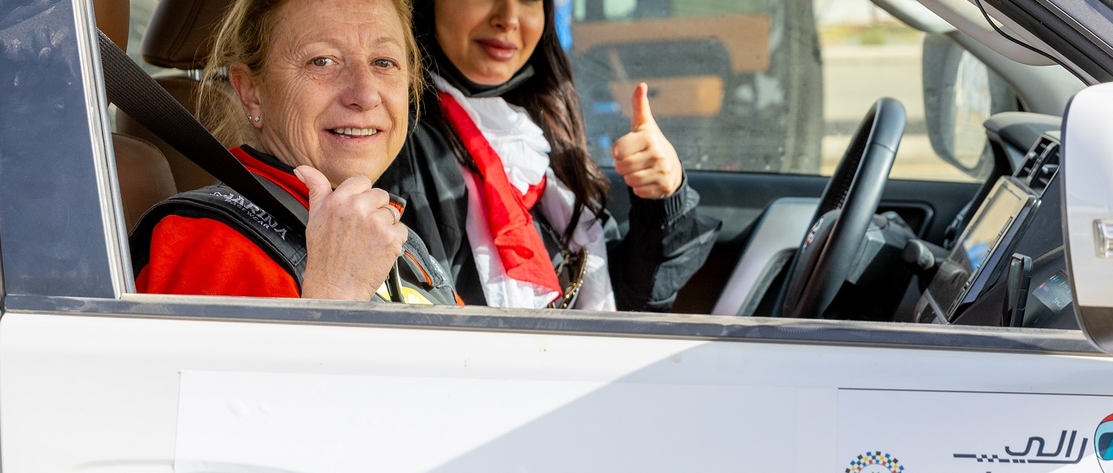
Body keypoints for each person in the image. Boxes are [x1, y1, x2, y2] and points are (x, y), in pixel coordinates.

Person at [380, 0, 718, 311]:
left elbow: (617, 304)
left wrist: (663, 200)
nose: (508, 18)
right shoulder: (396, 143)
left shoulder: (538, 136)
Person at [131, 0, 455, 302]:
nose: (366, 94)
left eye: (384, 62)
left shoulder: (397, 241)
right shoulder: (208, 243)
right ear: (251, 93)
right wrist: (337, 293)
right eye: (322, 61)